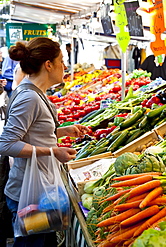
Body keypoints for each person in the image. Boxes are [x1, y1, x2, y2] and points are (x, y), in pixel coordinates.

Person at [0, 37, 90, 246]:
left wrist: (61, 131)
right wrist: (52, 152)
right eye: (61, 61)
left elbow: (32, 132)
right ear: (48, 65)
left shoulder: (34, 92)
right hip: (28, 196)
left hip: (40, 191)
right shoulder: (29, 97)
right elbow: (6, 144)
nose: (64, 66)